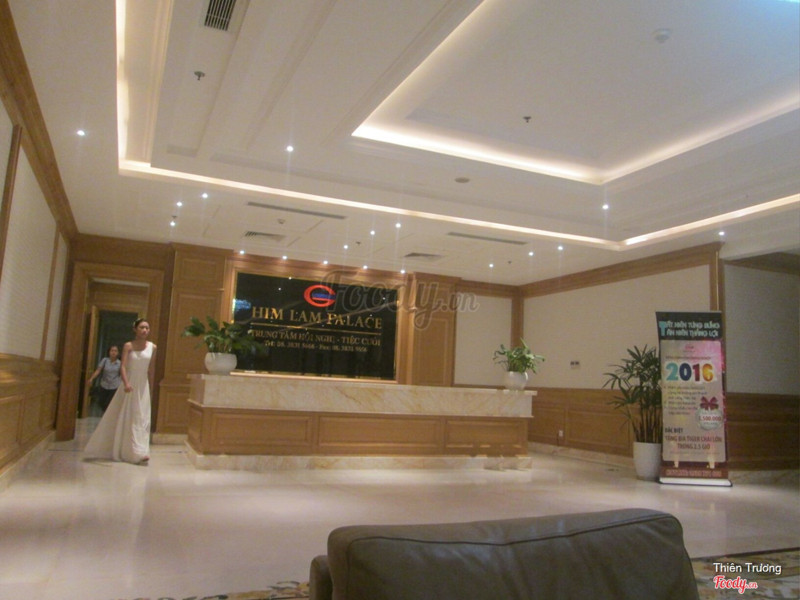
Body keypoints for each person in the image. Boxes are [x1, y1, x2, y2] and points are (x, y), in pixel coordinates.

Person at [84, 319, 157, 465]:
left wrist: (151, 386)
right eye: (142, 327)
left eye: (147, 328)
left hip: (143, 385)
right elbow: (123, 366)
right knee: (130, 416)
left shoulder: (153, 347)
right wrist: (126, 383)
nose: (145, 330)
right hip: (130, 384)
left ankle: (142, 450)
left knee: (142, 417)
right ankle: (131, 450)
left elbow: (151, 368)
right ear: (135, 329)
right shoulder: (128, 346)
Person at [86, 345, 121, 413]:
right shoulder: (105, 360)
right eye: (112, 350)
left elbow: (122, 373)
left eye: (115, 351)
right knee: (102, 402)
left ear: (118, 353)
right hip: (104, 384)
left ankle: (109, 416)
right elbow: (98, 370)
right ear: (109, 352)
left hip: (114, 385)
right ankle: (104, 414)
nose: (113, 352)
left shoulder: (120, 363)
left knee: (110, 403)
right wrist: (91, 378)